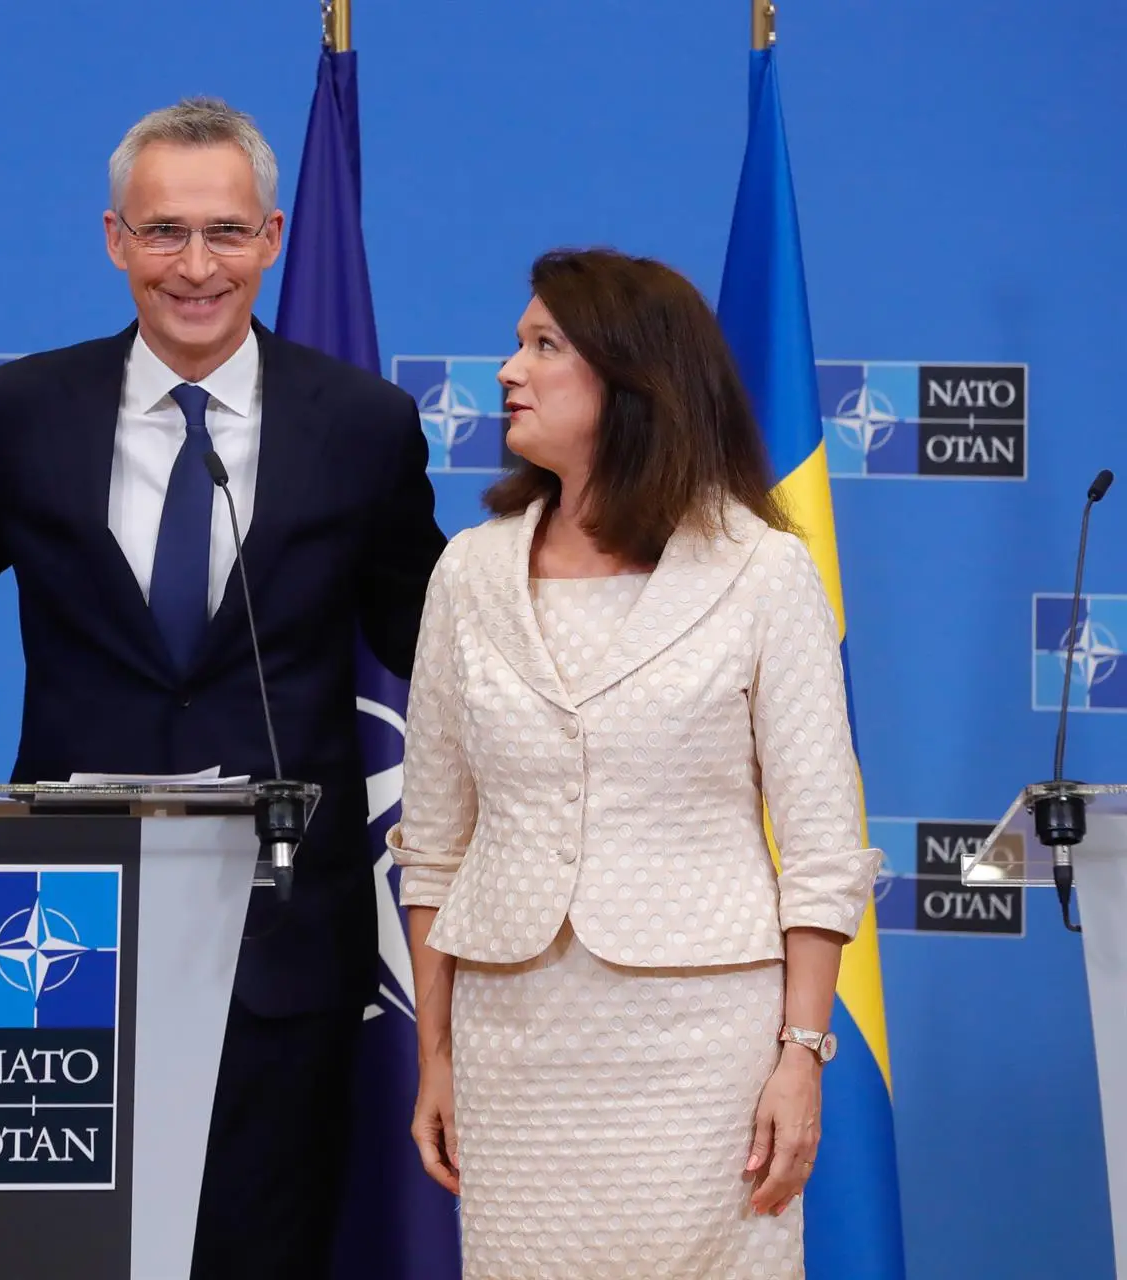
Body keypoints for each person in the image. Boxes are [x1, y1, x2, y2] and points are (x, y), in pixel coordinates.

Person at [0, 97, 447, 1276]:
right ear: (114, 239)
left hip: (282, 932)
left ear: (272, 237)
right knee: (49, 1256)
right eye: (164, 231)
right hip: (49, 931)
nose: (197, 265)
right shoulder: (22, 412)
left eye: (225, 231)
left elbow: (435, 642)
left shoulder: (364, 424)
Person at [391, 247, 882, 1278]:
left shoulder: (760, 571)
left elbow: (824, 848)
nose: (508, 371)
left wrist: (800, 1056)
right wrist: (435, 1054)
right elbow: (432, 848)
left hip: (703, 1051)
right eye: (517, 344)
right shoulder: (468, 571)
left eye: (544, 346)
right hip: (512, 1044)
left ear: (633, 378)